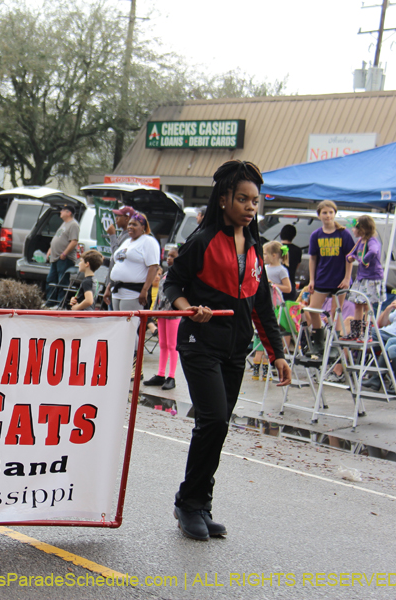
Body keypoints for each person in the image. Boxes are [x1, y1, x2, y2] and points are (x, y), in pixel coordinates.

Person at [164, 160, 290, 541]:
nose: (251, 207)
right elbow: (172, 284)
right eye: (242, 199)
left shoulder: (254, 247)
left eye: (255, 201)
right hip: (199, 343)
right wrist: (188, 308)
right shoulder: (201, 242)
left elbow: (262, 306)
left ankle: (200, 503)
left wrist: (278, 353)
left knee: (216, 427)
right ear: (224, 200)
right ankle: (188, 503)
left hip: (236, 350)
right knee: (215, 419)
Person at [305, 200, 353, 355]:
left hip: (339, 279)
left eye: (331, 212)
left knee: (336, 311)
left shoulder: (343, 233)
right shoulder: (316, 235)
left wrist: (347, 278)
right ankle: (318, 341)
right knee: (313, 309)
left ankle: (334, 344)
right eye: (324, 213)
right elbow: (313, 258)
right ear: (319, 215)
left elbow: (350, 257)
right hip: (322, 278)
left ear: (335, 214)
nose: (328, 215)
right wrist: (312, 280)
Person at [252, 241, 291, 380]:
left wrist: (274, 285)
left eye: (265, 254)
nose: (263, 256)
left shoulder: (281, 270)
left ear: (274, 255)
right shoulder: (264, 268)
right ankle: (257, 370)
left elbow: (288, 288)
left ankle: (268, 369)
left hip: (275, 305)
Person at [143, 247, 180, 390]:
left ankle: (171, 376)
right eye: (168, 256)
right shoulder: (165, 274)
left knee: (172, 345)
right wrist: (154, 310)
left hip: (173, 313)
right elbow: (159, 295)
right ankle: (161, 373)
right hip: (162, 312)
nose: (169, 258)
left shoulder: (180, 275)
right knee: (163, 344)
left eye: (172, 256)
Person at [109, 211, 160, 311]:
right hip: (117, 291)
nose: (130, 227)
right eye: (129, 224)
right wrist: (109, 287)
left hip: (132, 293)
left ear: (143, 227)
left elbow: (153, 267)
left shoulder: (148, 241)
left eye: (134, 225)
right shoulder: (126, 241)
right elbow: (118, 264)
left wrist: (145, 290)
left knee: (129, 320)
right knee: (117, 320)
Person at [345, 215, 383, 339]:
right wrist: (350, 257)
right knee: (358, 304)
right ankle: (356, 332)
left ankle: (367, 333)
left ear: (363, 229)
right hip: (361, 277)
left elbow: (373, 251)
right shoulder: (360, 241)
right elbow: (350, 254)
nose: (353, 230)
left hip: (371, 278)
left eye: (355, 228)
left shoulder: (371, 241)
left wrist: (364, 260)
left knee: (367, 305)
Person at [44, 204, 80, 307]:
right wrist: (50, 249)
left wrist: (64, 253)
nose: (61, 212)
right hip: (56, 258)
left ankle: (60, 304)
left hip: (65, 259)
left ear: (69, 213)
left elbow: (74, 241)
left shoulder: (73, 225)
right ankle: (50, 302)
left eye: (63, 210)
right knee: (51, 280)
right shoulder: (64, 224)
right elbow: (58, 238)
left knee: (62, 281)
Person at [279, 224, 302, 302]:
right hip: (290, 284)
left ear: (281, 234)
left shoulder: (275, 248)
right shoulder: (297, 250)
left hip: (276, 285)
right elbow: (297, 266)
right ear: (293, 236)